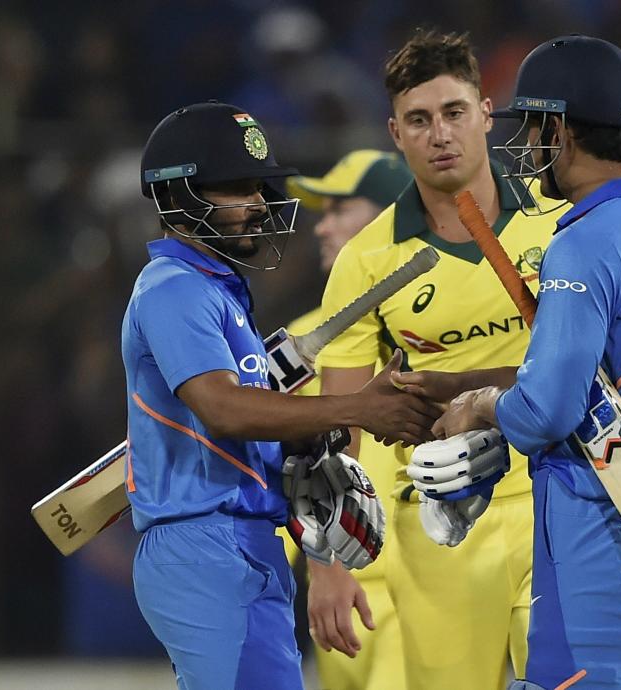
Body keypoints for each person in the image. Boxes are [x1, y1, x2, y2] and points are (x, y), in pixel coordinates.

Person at [423, 36, 621, 689]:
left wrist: (478, 407)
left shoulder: (585, 242)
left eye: (531, 125)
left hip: (608, 514)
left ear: (557, 129)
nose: (525, 144)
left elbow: (544, 413)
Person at [122, 101, 439, 690]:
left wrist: (309, 455)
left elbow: (258, 434)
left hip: (242, 541)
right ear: (182, 196)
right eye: (239, 189)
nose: (259, 205)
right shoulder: (174, 290)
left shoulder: (219, 293)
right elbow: (223, 409)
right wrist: (356, 407)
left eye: (259, 188)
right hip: (206, 541)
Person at [314, 31, 557, 690]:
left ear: (484, 111)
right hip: (442, 528)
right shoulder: (367, 261)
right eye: (419, 120)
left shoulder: (560, 221)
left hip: (560, 510)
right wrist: (328, 563)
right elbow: (340, 424)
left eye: (453, 113)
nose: (439, 134)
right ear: (395, 133)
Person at [282, 150, 413, 690]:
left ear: (389, 216)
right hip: (338, 594)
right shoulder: (300, 341)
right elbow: (289, 460)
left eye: (339, 209)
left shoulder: (441, 314)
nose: (323, 226)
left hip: (425, 592)